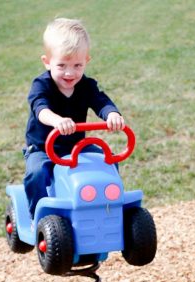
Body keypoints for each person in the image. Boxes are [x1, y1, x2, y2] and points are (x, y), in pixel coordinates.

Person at [23, 18, 125, 219]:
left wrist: (112, 114)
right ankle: (40, 216)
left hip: (76, 146)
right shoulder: (41, 85)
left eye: (77, 65)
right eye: (62, 65)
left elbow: (100, 101)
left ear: (87, 61)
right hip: (43, 147)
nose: (70, 73)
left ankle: (104, 205)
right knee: (35, 173)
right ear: (47, 61)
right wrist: (56, 121)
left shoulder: (86, 85)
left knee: (108, 160)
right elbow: (40, 108)